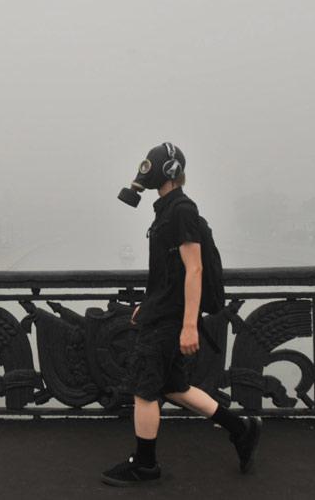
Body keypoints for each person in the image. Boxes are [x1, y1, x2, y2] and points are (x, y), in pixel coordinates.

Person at [102, 142, 262, 487]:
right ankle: (241, 429)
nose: (144, 173)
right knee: (174, 387)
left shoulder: (182, 210)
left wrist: (189, 325)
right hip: (162, 311)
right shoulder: (166, 210)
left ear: (169, 171)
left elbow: (194, 269)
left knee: (145, 389)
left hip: (171, 319)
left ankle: (145, 465)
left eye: (151, 166)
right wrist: (149, 302)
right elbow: (169, 270)